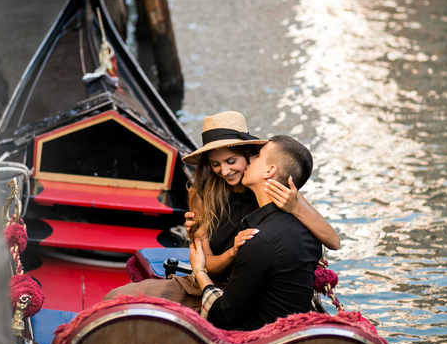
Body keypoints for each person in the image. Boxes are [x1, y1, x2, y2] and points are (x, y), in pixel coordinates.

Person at [103, 111, 338, 308]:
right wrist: (233, 251)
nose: (224, 171)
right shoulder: (201, 195)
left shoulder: (273, 190)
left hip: (259, 293)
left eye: (231, 161)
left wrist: (295, 206)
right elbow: (204, 263)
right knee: (121, 300)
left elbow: (333, 241)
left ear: (250, 157)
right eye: (216, 164)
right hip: (212, 284)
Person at [190, 135, 323, 330]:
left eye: (257, 156)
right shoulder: (307, 233)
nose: (251, 160)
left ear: (270, 170)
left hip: (259, 343)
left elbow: (223, 316)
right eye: (215, 164)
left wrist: (199, 270)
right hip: (288, 331)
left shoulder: (256, 240)